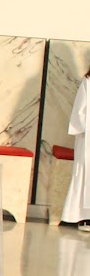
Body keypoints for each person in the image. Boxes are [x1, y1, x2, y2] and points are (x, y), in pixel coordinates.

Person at [60, 65, 90, 229]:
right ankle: (83, 216)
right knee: (85, 174)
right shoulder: (88, 82)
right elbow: (79, 111)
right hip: (88, 138)